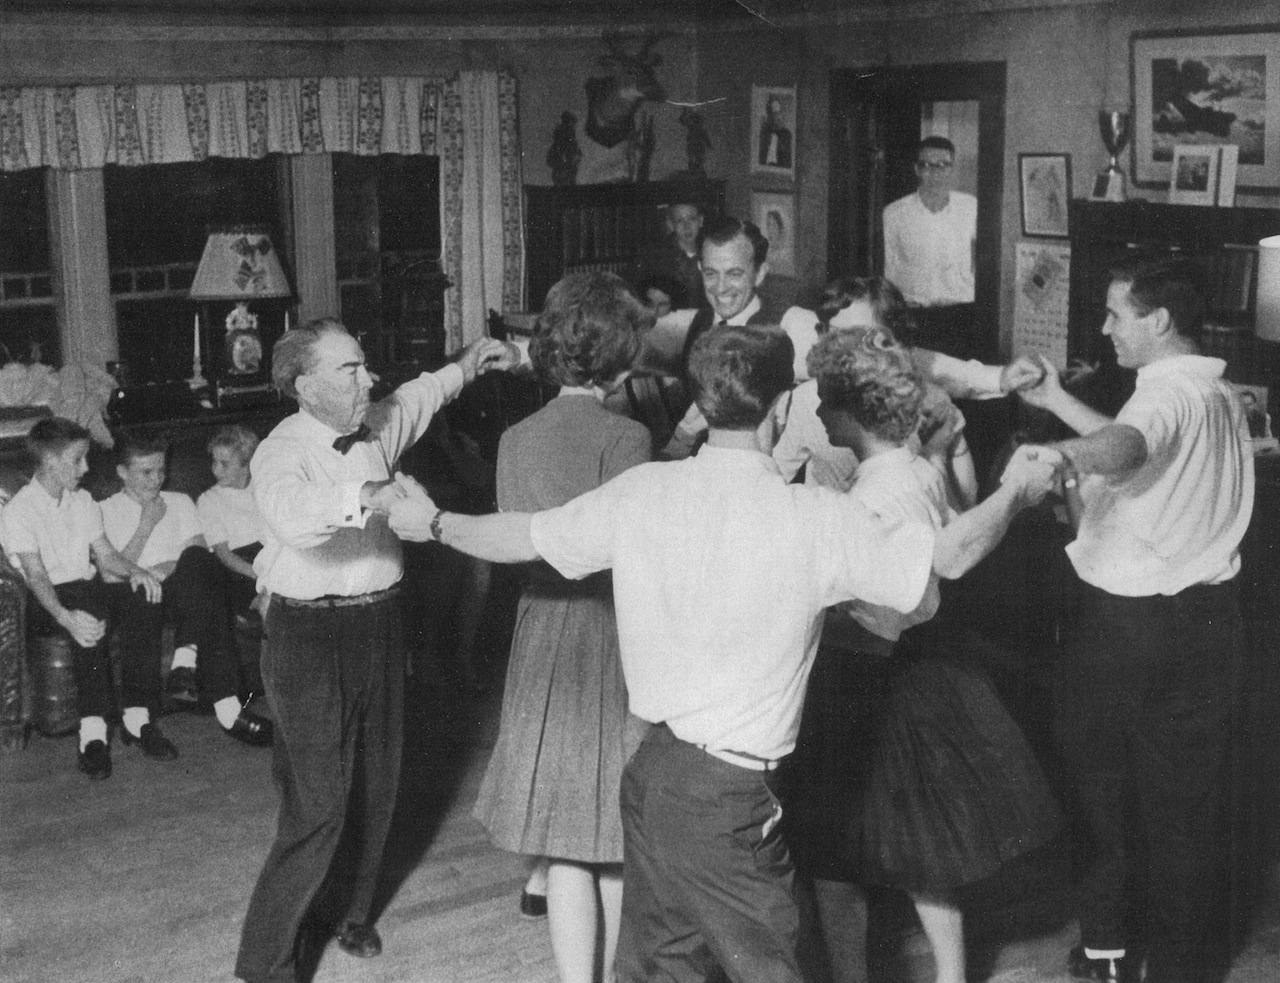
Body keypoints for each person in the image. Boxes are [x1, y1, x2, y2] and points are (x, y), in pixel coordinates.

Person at [385, 325, 1059, 983]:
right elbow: (948, 555)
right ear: (779, 405)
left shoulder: (646, 490)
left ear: (702, 403)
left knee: (659, 965)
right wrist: (1016, 492)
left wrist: (435, 523)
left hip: (651, 774)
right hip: (727, 801)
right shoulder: (815, 518)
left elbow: (523, 534)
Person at [233, 318, 517, 983]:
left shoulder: (379, 422)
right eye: (350, 369)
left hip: (381, 623)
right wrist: (366, 493)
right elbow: (291, 513)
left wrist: (470, 363)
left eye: (365, 366)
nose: (370, 379)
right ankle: (264, 965)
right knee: (317, 802)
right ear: (305, 385)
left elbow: (422, 393)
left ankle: (352, 912)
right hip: (307, 633)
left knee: (379, 779)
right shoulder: (280, 450)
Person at [787, 336, 1064, 983]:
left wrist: (823, 605)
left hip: (870, 674)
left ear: (857, 409)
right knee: (921, 847)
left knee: (835, 856)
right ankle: (950, 972)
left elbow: (906, 592)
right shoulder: (913, 470)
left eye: (827, 401)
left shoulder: (873, 496)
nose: (819, 411)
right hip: (920, 668)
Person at [1016, 257, 1253, 983]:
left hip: (1126, 632)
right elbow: (1136, 443)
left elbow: (1127, 444)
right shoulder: (1213, 391)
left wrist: (1058, 454)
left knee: (1097, 797)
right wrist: (1059, 401)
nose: (1104, 327)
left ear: (1157, 322)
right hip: (1211, 626)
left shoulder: (1161, 400)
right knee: (1186, 812)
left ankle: (1108, 951)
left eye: (1116, 313)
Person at [472, 272, 652, 983]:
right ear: (625, 357)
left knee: (566, 834)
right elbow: (623, 547)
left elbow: (520, 542)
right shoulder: (629, 435)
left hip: (542, 630)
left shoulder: (517, 437)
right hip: (614, 632)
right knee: (614, 828)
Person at [773, 276, 1044, 498]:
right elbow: (774, 477)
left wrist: (1002, 378)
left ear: (893, 343)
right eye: (831, 334)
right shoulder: (809, 401)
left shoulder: (926, 403)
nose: (844, 348)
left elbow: (964, 502)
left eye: (859, 336)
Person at [0, 417, 164, 779]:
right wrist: (65, 617)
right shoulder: (17, 512)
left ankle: (137, 717)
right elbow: (37, 575)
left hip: (87, 590)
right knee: (83, 601)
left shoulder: (83, 500)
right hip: (46, 603)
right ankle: (92, 734)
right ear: (50, 461)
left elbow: (105, 556)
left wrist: (138, 573)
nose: (86, 468)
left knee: (142, 596)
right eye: (77, 460)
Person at [100, 430, 272, 746]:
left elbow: (196, 555)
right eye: (146, 472)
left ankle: (214, 692)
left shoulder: (179, 501)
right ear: (122, 473)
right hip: (136, 592)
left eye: (162, 471)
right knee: (141, 592)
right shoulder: (105, 509)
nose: (157, 480)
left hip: (184, 591)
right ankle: (138, 720)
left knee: (199, 561)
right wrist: (147, 525)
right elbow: (112, 573)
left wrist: (163, 569)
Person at [883, 136, 978, 359]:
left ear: (953, 169)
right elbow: (889, 270)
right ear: (916, 169)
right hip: (913, 318)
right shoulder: (894, 214)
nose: (935, 173)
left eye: (943, 165)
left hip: (959, 316)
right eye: (926, 165)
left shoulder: (971, 208)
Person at [638, 200, 706, 313]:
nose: (686, 226)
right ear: (670, 225)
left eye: (692, 219)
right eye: (680, 221)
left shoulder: (710, 253)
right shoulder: (655, 257)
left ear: (700, 221)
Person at [758, 95, 793, 168]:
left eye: (777, 114)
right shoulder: (764, 133)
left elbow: (788, 161)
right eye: (772, 114)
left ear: (781, 115)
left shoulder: (787, 135)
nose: (775, 117)